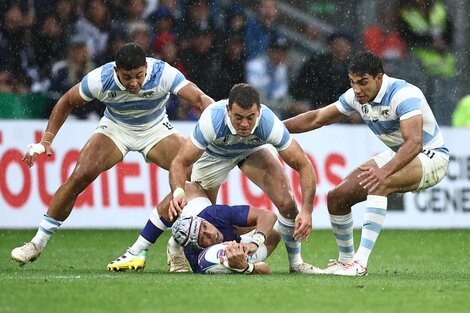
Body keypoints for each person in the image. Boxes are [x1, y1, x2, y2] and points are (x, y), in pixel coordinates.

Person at [11, 42, 214, 266]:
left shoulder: (163, 73)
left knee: (198, 177)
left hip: (155, 128)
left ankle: (175, 244)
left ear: (146, 67)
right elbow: (66, 101)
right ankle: (37, 243)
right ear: (117, 71)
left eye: (139, 75)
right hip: (116, 128)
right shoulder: (100, 79)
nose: (134, 82)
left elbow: (201, 100)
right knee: (79, 176)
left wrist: (217, 127)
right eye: (127, 77)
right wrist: (46, 140)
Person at [283, 51, 449, 276]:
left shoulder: (404, 94)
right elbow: (316, 118)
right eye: (352, 82)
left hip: (431, 156)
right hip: (398, 154)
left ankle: (360, 264)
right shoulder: (355, 97)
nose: (357, 89)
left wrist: (384, 172)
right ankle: (345, 261)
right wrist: (274, 128)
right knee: (337, 197)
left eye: (363, 82)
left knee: (378, 182)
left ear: (379, 78)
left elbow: (415, 143)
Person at [166, 83, 322, 274]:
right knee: (204, 219)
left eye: (251, 118)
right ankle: (176, 246)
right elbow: (179, 162)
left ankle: (296, 263)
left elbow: (303, 164)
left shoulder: (268, 123)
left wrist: (306, 210)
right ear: (228, 110)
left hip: (250, 150)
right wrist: (178, 193)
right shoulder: (212, 120)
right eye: (238, 117)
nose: (245, 124)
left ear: (259, 112)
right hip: (214, 156)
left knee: (287, 202)